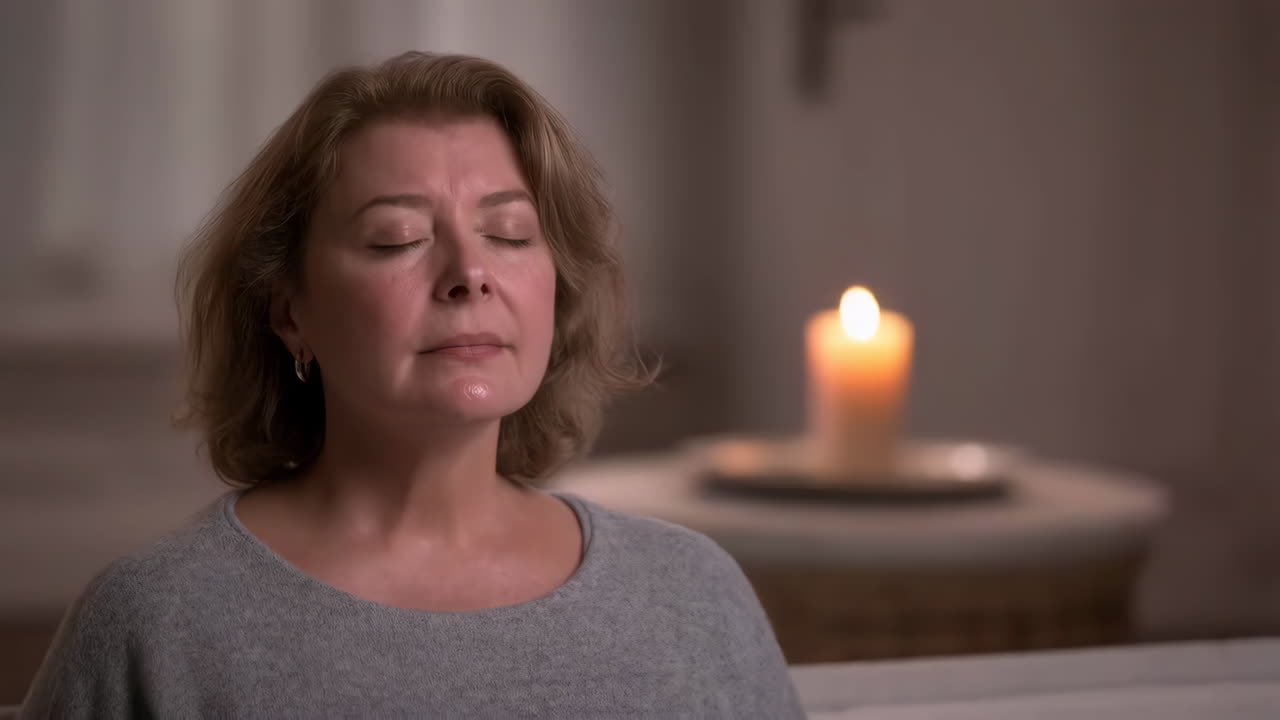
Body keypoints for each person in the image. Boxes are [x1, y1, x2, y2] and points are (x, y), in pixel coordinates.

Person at [20, 52, 804, 718]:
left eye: (509, 234)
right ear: (290, 312)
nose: (470, 274)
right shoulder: (156, 623)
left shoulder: (691, 595)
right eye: (397, 238)